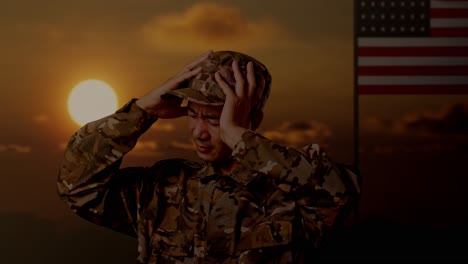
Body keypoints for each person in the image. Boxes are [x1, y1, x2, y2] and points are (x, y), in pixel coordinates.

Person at [57, 50, 360, 263]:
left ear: (251, 118)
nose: (199, 132)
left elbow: (340, 192)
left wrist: (238, 135)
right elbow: (77, 188)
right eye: (193, 115)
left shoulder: (289, 195)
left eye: (214, 121)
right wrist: (141, 111)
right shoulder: (163, 188)